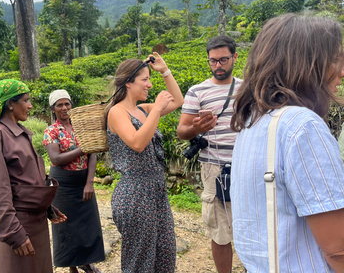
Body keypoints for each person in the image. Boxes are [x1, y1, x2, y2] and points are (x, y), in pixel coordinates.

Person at [230, 14, 344, 272]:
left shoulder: (253, 123)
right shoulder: (303, 125)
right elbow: (338, 248)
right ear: (307, 64)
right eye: (335, 59)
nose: (342, 72)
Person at [106, 52, 184, 273]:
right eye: (145, 80)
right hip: (135, 195)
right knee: (140, 263)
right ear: (129, 82)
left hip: (156, 191)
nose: (150, 84)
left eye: (150, 79)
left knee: (165, 256)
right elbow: (137, 143)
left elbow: (178, 101)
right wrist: (157, 109)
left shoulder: (143, 110)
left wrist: (165, 71)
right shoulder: (116, 112)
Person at [0, 79, 67, 273]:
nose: (30, 105)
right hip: (20, 224)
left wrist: (46, 207)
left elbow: (27, 179)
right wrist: (13, 233)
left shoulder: (21, 133)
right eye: (26, 100)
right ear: (10, 103)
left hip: (36, 222)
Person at [176, 35, 242, 273]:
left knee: (251, 226)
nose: (218, 66)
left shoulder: (248, 88)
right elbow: (182, 131)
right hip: (213, 169)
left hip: (246, 168)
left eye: (223, 59)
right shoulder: (197, 91)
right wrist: (197, 128)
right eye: (213, 61)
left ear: (234, 57)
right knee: (220, 231)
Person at [43, 89, 105, 273]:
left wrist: (89, 182)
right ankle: (72, 267)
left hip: (83, 181)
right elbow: (57, 159)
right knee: (67, 226)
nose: (64, 108)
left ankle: (86, 263)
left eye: (67, 104)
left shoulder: (81, 127)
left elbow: (92, 153)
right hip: (63, 185)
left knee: (88, 225)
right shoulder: (51, 131)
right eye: (59, 105)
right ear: (52, 109)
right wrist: (83, 148)